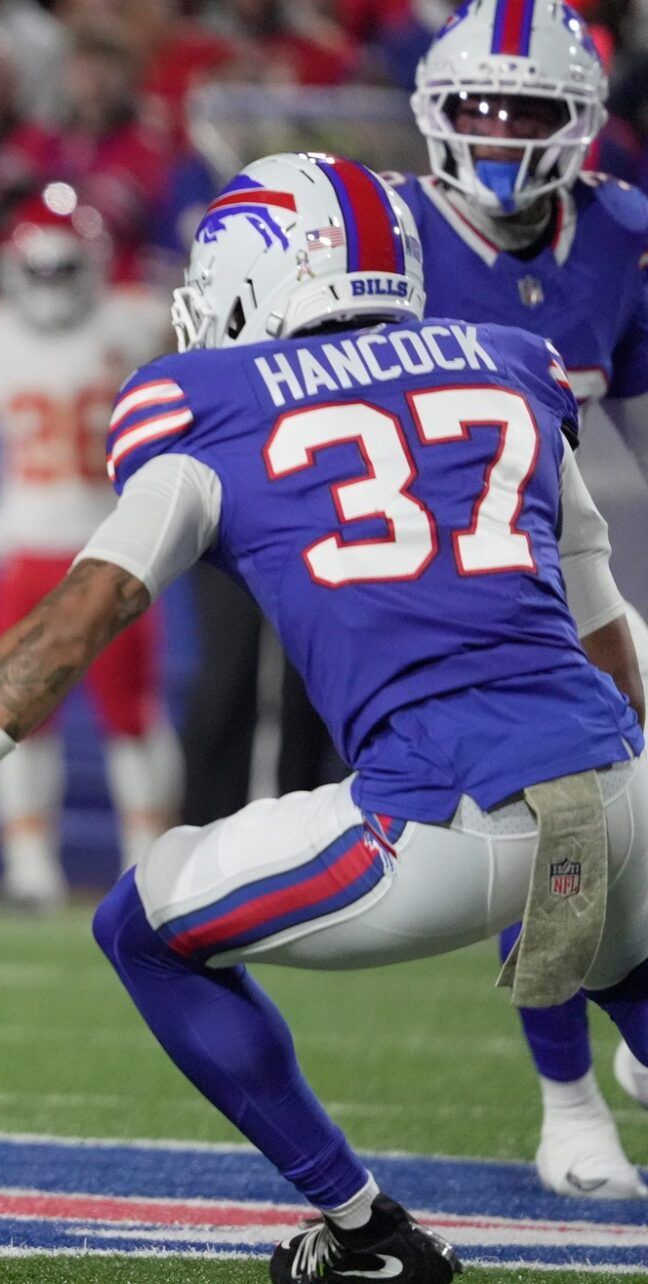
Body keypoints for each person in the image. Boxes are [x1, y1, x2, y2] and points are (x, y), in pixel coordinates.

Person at [0, 152, 648, 1284]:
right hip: (618, 778)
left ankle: (365, 1238)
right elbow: (603, 613)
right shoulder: (510, 365)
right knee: (628, 950)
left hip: (442, 815)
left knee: (143, 925)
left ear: (262, 278)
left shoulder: (208, 406)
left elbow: (78, 622)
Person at [394, 0, 648, 1199]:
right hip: (431, 592)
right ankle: (568, 1100)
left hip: (572, 559)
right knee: (557, 827)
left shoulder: (622, 237)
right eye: (480, 109)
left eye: (528, 110)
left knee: (622, 837)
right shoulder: (379, 235)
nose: (500, 134)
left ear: (580, 125)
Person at [0, 187, 178, 910]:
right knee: (16, 718)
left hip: (112, 549)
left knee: (131, 713)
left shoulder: (141, 319)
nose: (54, 288)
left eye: (67, 271)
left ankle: (144, 864)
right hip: (30, 548)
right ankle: (29, 868)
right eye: (42, 272)